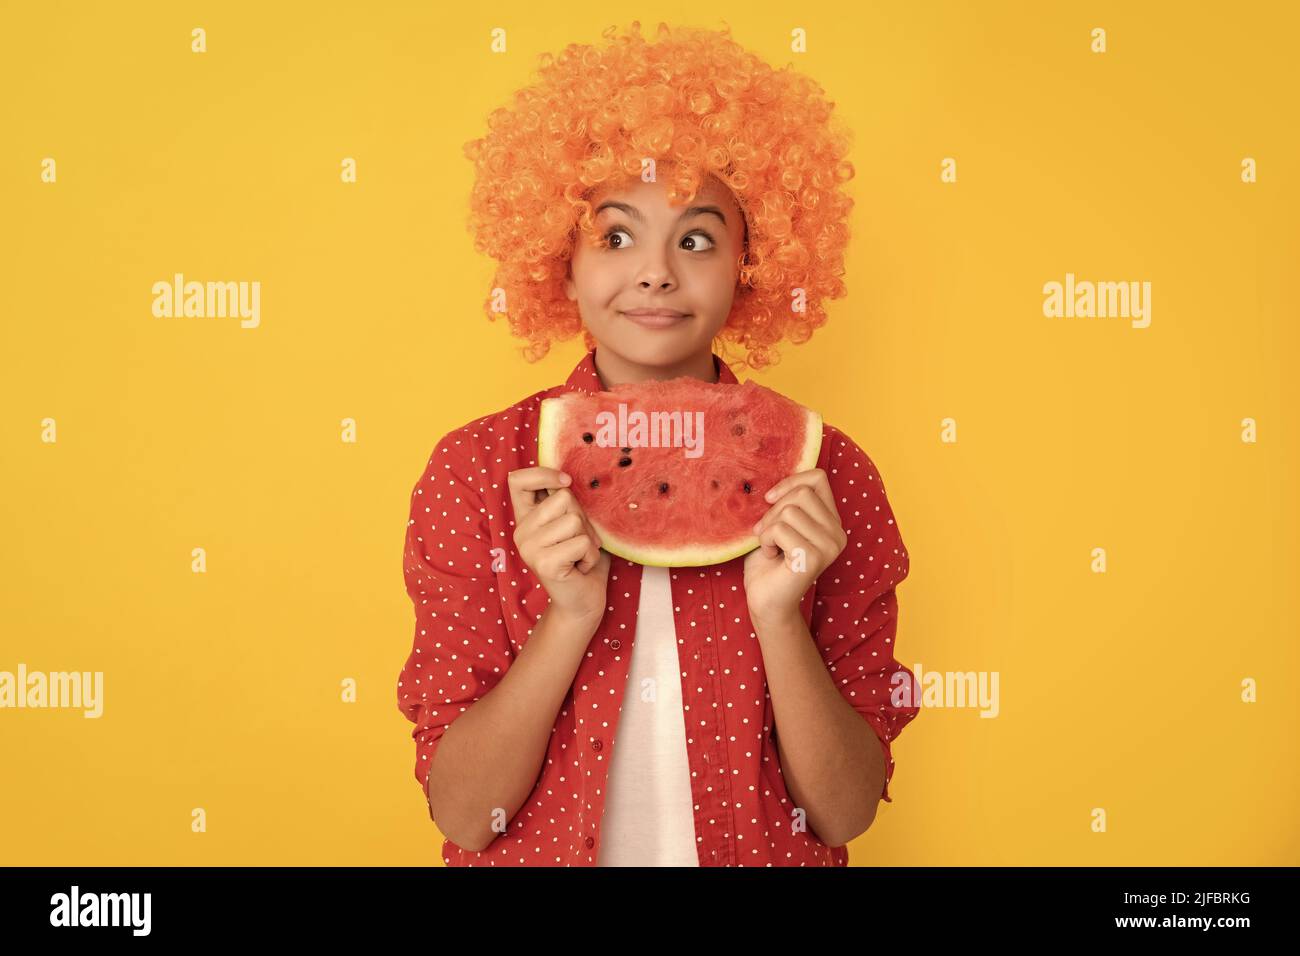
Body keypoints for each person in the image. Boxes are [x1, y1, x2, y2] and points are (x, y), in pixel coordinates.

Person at [396, 20, 918, 867]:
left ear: (753, 261)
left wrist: (781, 614)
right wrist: (567, 617)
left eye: (699, 237)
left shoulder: (826, 473)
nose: (656, 271)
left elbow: (845, 813)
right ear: (557, 261)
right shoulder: (476, 472)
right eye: (614, 235)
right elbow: (463, 815)